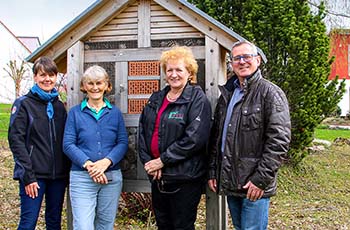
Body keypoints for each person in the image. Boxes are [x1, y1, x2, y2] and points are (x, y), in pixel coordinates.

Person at [208, 41, 291, 230]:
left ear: (258, 60)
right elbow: (216, 138)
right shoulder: (227, 95)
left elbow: (279, 141)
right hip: (231, 181)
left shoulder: (270, 93)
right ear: (231, 63)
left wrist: (260, 180)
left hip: (254, 185)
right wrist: (213, 171)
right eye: (236, 58)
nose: (242, 61)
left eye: (247, 57)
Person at [138, 46, 212, 230]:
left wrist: (162, 161)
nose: (174, 74)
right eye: (169, 70)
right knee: (163, 225)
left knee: (182, 226)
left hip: (184, 178)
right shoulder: (156, 98)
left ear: (189, 72)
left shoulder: (197, 99)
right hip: (158, 177)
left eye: (179, 69)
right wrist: (150, 164)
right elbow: (143, 132)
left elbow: (194, 138)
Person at [8, 56, 71, 230]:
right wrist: (27, 176)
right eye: (42, 75)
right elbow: (16, 141)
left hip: (57, 177)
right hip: (34, 177)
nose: (47, 79)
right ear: (35, 77)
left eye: (51, 75)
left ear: (56, 77)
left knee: (54, 222)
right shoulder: (24, 104)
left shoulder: (59, 106)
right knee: (28, 223)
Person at [63, 65, 128, 230]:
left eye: (99, 83)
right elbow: (68, 144)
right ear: (83, 87)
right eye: (90, 83)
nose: (95, 87)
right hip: (82, 177)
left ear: (107, 85)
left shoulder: (115, 113)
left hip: (111, 178)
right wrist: (90, 165)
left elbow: (122, 143)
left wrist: (105, 163)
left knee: (105, 225)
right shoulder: (75, 113)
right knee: (83, 226)